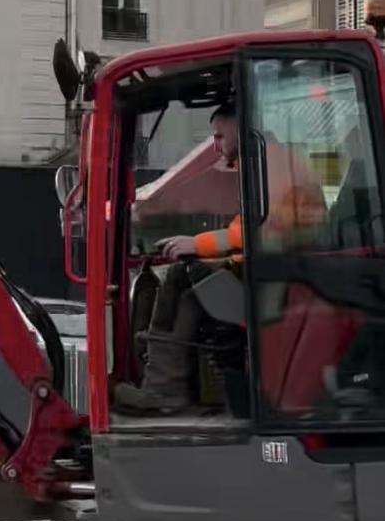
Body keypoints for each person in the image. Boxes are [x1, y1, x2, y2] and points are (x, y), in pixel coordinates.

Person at [113, 102, 326, 415]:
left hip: (279, 276)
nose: (215, 146)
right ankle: (172, 387)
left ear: (241, 130)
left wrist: (197, 245)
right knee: (188, 281)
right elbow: (253, 230)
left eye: (219, 137)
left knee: (180, 278)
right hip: (278, 268)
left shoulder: (272, 166)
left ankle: (163, 389)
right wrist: (201, 249)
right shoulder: (270, 164)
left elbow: (262, 232)